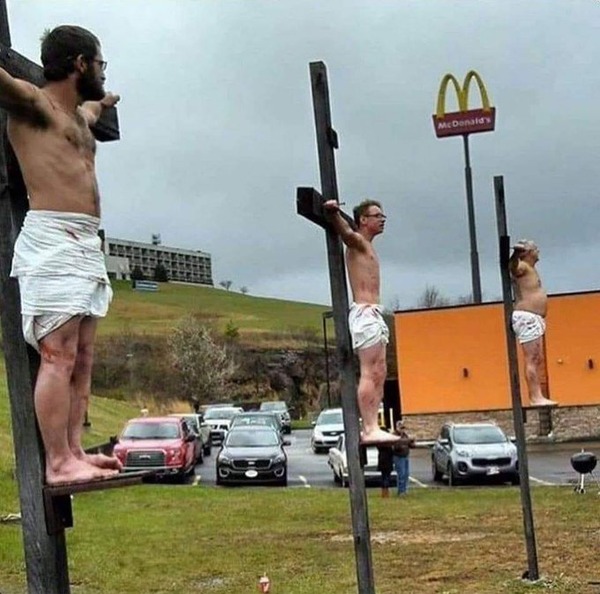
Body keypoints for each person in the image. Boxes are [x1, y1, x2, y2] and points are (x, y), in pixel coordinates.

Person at [1, 25, 123, 484]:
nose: (103, 73)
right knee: (58, 354)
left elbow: (95, 107)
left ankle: (75, 451)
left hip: (87, 243)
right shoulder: (33, 105)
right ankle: (57, 462)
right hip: (52, 237)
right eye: (100, 64)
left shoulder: (80, 118)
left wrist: (106, 102)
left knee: (82, 357)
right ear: (80, 63)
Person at [323, 198, 398, 446]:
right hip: (364, 313)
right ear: (363, 220)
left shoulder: (369, 246)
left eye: (383, 215)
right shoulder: (357, 241)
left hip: (374, 313)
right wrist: (333, 213)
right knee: (369, 370)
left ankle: (374, 425)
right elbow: (345, 233)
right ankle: (369, 427)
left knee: (380, 370)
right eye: (377, 215)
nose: (382, 219)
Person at [509, 239, 556, 406]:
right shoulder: (522, 266)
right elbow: (512, 268)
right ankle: (535, 397)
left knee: (537, 359)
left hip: (534, 318)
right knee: (532, 358)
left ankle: (538, 395)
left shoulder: (530, 268)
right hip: (527, 316)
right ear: (527, 253)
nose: (538, 251)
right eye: (535, 249)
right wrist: (515, 254)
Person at [392, 420, 415, 495]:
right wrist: (406, 441)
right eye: (401, 428)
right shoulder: (394, 435)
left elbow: (411, 445)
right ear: (397, 427)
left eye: (403, 428)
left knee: (406, 474)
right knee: (401, 474)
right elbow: (396, 447)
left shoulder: (405, 435)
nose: (402, 430)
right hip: (398, 457)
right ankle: (401, 491)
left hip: (405, 456)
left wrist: (412, 442)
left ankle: (405, 490)